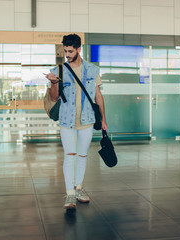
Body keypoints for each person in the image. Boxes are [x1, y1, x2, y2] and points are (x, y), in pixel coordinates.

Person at [45, 34, 107, 211]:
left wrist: (104, 119)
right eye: (65, 50)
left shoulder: (92, 70)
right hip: (67, 120)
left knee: (82, 155)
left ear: (79, 49)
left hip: (87, 120)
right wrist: (54, 83)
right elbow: (54, 97)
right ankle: (70, 194)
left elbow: (98, 96)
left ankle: (79, 188)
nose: (67, 54)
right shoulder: (59, 70)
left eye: (70, 51)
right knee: (69, 156)